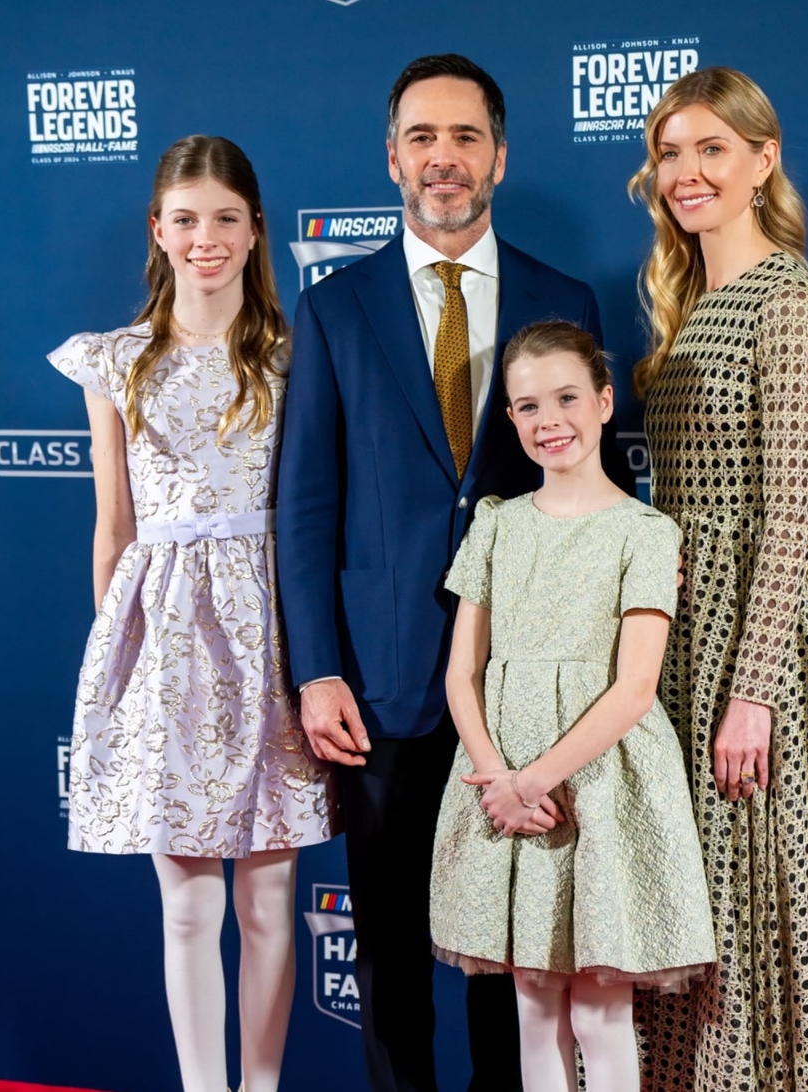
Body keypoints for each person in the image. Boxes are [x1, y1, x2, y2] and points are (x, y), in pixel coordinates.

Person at [276, 54, 632, 1092]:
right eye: (423, 138)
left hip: (528, 682)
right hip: (380, 686)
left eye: (465, 138)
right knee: (388, 946)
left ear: (501, 158)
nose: (444, 159)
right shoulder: (334, 309)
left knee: (509, 958)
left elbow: (590, 491)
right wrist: (316, 670)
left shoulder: (564, 301)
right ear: (392, 157)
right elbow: (304, 505)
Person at [629, 69, 808, 1092]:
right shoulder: (688, 295)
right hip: (671, 632)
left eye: (712, 149)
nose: (687, 172)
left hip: (752, 641)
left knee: (749, 884)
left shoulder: (786, 296)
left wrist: (751, 691)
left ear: (764, 160)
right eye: (671, 152)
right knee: (685, 890)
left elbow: (789, 512)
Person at [49, 135, 337, 1092]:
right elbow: (113, 526)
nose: (205, 238)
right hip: (161, 640)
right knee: (183, 907)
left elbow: (308, 520)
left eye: (225, 218)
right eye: (185, 219)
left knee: (268, 901)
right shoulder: (117, 361)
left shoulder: (296, 358)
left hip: (269, 636)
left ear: (257, 230)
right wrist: (113, 662)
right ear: (157, 230)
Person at [429, 321, 715, 1092]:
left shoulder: (646, 533)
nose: (547, 420)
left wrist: (534, 781)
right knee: (533, 996)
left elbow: (633, 690)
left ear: (603, 401)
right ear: (512, 420)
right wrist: (498, 778)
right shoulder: (496, 525)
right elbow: (463, 675)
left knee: (597, 1007)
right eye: (527, 407)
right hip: (501, 787)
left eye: (564, 398)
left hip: (601, 787)